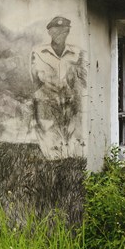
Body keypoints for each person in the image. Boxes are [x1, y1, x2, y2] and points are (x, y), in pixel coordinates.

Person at [30, 16, 86, 154]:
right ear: (49, 32)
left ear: (68, 32)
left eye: (64, 31)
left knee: (72, 136)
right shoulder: (38, 52)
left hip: (70, 102)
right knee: (49, 137)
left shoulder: (77, 53)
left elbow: (83, 80)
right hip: (47, 102)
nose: (60, 35)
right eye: (55, 31)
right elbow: (34, 79)